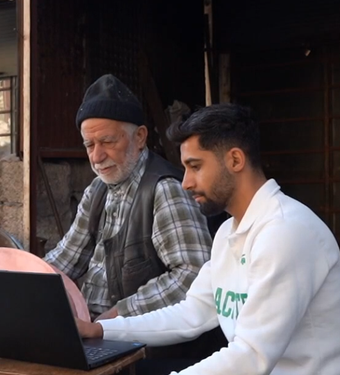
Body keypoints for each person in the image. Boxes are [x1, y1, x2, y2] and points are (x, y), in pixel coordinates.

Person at [76, 103, 340, 375]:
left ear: (235, 160)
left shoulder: (286, 232)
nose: (185, 182)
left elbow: (251, 356)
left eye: (195, 166)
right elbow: (192, 313)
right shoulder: (228, 232)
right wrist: (102, 330)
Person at [44, 74, 226, 365]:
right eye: (89, 145)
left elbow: (192, 274)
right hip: (96, 336)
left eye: (107, 141)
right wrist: (28, 281)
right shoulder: (98, 189)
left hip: (145, 351)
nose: (97, 155)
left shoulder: (165, 189)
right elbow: (67, 257)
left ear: (140, 137)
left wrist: (116, 317)